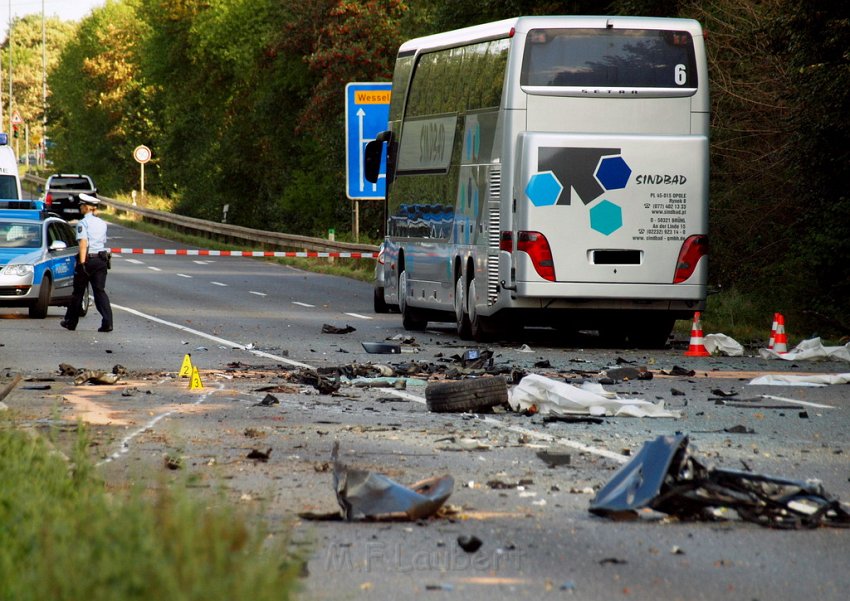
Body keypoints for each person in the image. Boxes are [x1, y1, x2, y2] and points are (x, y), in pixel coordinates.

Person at [60, 193, 113, 332]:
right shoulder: (102, 223)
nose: (80, 208)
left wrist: (82, 264)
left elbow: (83, 243)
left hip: (88, 260)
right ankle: (107, 322)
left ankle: (71, 322)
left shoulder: (83, 223)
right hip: (101, 260)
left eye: (81, 206)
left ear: (86, 207)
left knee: (78, 292)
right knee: (100, 292)